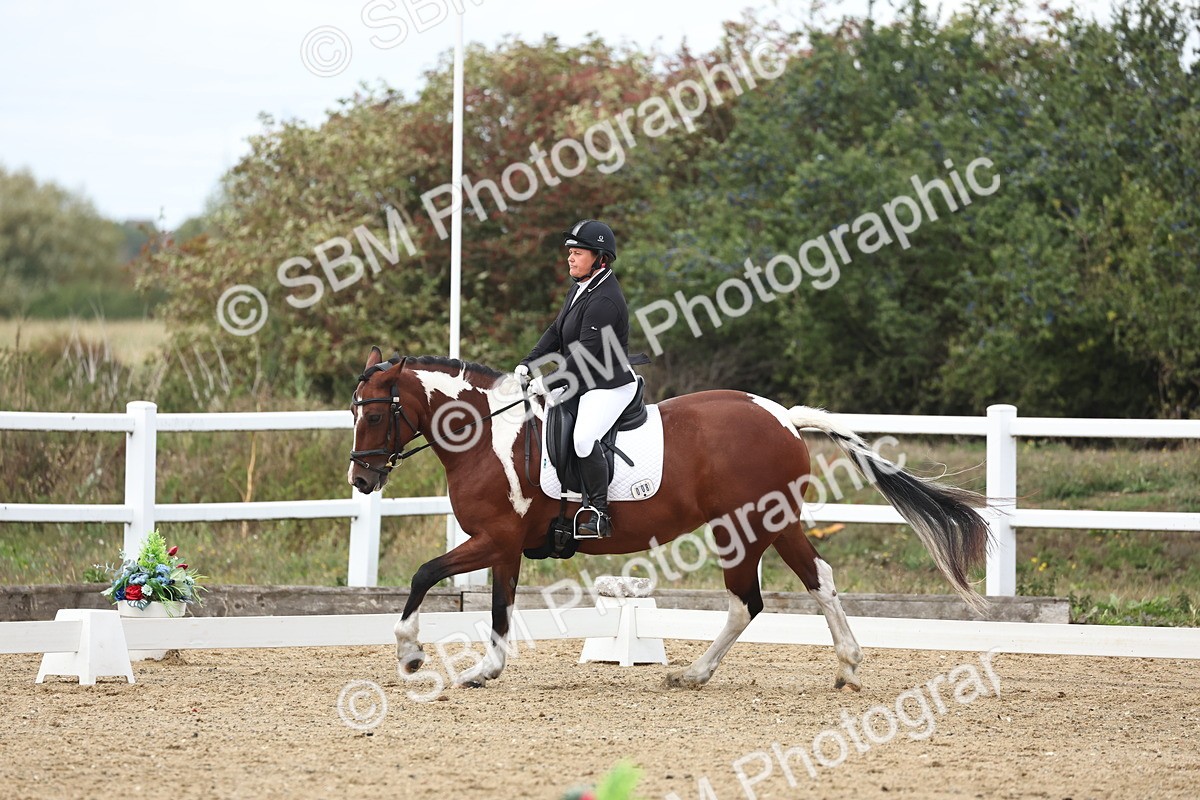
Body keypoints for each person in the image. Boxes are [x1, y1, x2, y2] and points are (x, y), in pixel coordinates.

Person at [515, 219, 641, 538]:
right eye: (570, 251)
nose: (570, 257)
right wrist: (530, 362)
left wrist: (548, 381)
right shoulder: (581, 287)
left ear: (600, 258)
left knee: (584, 438)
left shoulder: (604, 299)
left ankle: (599, 512)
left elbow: (585, 352)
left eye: (579, 252)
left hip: (608, 383)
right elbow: (557, 332)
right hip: (584, 380)